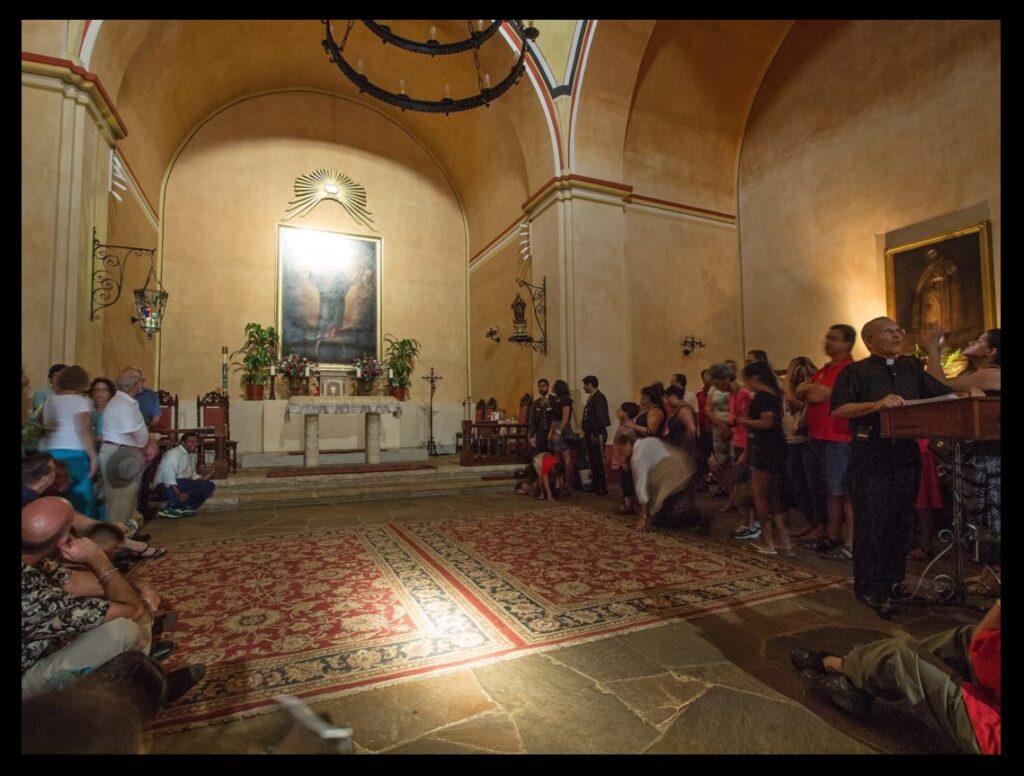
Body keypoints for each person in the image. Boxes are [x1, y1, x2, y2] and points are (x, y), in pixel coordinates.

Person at [830, 317, 954, 618]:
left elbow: (943, 395)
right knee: (873, 524)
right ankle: (870, 588)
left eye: (899, 330)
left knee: (901, 523)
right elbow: (839, 409)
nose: (897, 334)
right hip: (872, 456)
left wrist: (965, 396)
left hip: (906, 457)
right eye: (889, 331)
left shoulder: (912, 370)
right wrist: (876, 405)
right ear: (869, 340)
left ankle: (894, 581)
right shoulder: (855, 372)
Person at [791, 599, 1000, 755]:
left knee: (900, 656)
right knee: (965, 636)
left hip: (992, 734)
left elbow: (981, 646)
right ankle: (856, 678)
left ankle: (842, 667)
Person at [21, 497, 170, 698]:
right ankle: (139, 690)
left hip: (36, 652)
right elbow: (132, 609)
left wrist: (136, 585)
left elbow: (77, 582)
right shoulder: (34, 600)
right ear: (64, 540)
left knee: (126, 593)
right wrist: (97, 558)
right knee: (122, 630)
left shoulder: (31, 559)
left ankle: (139, 655)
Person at [796, 324, 857, 560]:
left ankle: (840, 538)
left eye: (834, 338)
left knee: (837, 489)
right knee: (824, 488)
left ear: (847, 343)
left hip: (838, 436)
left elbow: (817, 394)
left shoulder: (849, 369)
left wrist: (812, 390)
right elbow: (802, 391)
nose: (827, 341)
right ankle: (829, 533)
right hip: (817, 435)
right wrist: (811, 390)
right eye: (827, 337)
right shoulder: (823, 369)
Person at [735, 361, 791, 555]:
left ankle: (768, 541)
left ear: (755, 379)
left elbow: (767, 422)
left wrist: (744, 421)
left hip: (765, 449)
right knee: (774, 497)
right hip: (775, 448)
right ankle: (784, 540)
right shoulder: (775, 395)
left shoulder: (763, 397)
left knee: (760, 495)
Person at [98, 369, 159, 525]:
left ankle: (128, 533)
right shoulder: (123, 404)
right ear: (136, 385)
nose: (142, 385)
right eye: (141, 381)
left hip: (124, 453)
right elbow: (132, 431)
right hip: (121, 454)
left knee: (128, 498)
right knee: (120, 502)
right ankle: (119, 541)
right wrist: (147, 446)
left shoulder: (124, 402)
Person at [41, 365, 98, 517]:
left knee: (56, 490)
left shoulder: (50, 400)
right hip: (76, 450)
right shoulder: (80, 401)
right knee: (80, 491)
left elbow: (48, 427)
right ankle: (81, 529)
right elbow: (83, 430)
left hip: (53, 450)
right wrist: (93, 456)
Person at [613, 429, 695, 533]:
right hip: (681, 470)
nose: (622, 454)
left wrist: (643, 517)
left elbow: (641, 486)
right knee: (659, 510)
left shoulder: (638, 456)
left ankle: (694, 518)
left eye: (622, 449)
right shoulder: (646, 441)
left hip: (673, 479)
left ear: (628, 443)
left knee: (660, 518)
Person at [154, 431, 216, 518]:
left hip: (181, 484)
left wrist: (204, 478)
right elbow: (169, 475)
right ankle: (171, 507)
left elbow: (193, 476)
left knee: (209, 486)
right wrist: (178, 493)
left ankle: (182, 508)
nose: (195, 444)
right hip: (165, 487)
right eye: (191, 441)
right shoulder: (174, 453)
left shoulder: (189, 456)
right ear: (182, 442)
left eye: (196, 441)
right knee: (193, 486)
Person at [912, 246, 963, 335]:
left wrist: (949, 275)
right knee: (931, 315)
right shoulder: (929, 268)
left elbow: (955, 277)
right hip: (931, 295)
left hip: (944, 294)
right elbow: (922, 284)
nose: (933, 255)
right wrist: (934, 280)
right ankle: (931, 335)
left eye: (934, 252)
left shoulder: (947, 263)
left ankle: (944, 334)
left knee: (943, 314)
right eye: (930, 254)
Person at [580, 375, 611, 496]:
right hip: (590, 433)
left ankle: (602, 485)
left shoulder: (599, 398)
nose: (584, 387)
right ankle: (597, 483)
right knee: (593, 459)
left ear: (590, 384)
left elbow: (601, 419)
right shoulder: (592, 398)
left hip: (597, 434)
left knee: (600, 459)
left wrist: (594, 432)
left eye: (585, 385)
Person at [548, 380, 578, 496]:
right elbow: (553, 418)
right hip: (556, 426)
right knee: (557, 458)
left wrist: (558, 432)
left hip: (563, 429)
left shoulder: (566, 401)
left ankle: (567, 483)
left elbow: (565, 418)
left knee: (566, 458)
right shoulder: (555, 401)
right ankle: (558, 482)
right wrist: (551, 432)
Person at [528, 378, 554, 454]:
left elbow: (556, 418)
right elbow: (532, 419)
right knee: (539, 455)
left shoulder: (554, 400)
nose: (541, 388)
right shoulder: (536, 403)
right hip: (540, 434)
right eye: (539, 386)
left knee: (551, 455)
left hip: (551, 432)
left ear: (548, 386)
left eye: (543, 386)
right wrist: (532, 436)